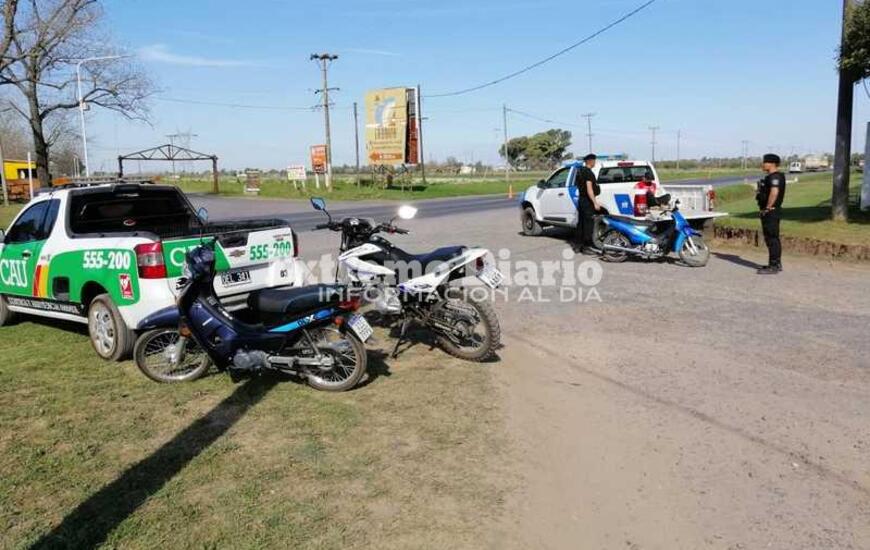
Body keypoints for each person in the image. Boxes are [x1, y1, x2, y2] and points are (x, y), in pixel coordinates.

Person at [756, 153, 786, 274]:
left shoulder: (775, 177)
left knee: (772, 238)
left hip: (771, 211)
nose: (763, 164)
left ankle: (774, 265)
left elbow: (774, 192)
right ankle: (774, 263)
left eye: (765, 162)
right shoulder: (771, 176)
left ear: (772, 163)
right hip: (770, 211)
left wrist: (768, 207)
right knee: (770, 238)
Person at [574, 153, 602, 254]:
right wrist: (594, 203)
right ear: (590, 161)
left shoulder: (580, 171)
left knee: (581, 223)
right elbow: (589, 189)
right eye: (594, 160)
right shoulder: (588, 173)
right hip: (587, 201)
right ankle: (586, 247)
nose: (595, 162)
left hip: (581, 199)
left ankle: (578, 246)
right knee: (588, 224)